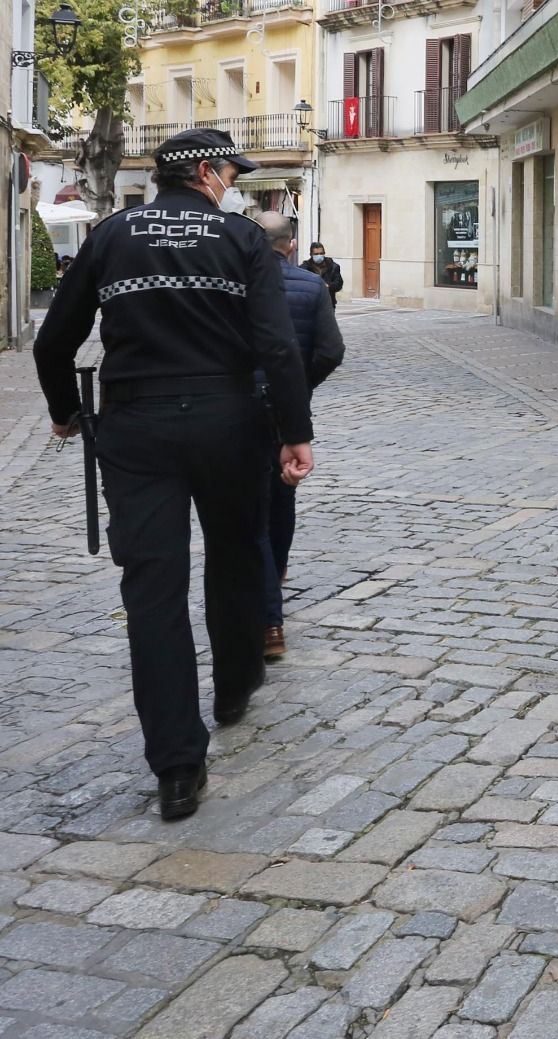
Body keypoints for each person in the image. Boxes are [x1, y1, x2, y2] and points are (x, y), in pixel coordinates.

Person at [32, 127, 314, 822]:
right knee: (237, 553)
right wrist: (295, 432)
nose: (235, 182)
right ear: (210, 173)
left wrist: (68, 412)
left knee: (152, 592)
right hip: (228, 419)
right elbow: (275, 344)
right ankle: (234, 686)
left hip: (136, 427)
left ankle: (177, 768)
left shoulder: (109, 234)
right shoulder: (242, 238)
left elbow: (54, 340)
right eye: (232, 172)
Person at [256, 213, 344, 661]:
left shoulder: (233, 284)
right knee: (281, 498)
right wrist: (299, 386)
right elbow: (331, 351)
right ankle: (277, 580)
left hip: (236, 409)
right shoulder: (311, 288)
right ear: (292, 246)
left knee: (248, 512)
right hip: (285, 412)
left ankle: (267, 616)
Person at [301, 242, 343, 307]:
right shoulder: (304, 268)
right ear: (311, 254)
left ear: (324, 253)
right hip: (310, 304)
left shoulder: (333, 267)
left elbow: (338, 284)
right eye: (316, 254)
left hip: (328, 303)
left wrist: (328, 286)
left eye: (321, 253)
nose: (319, 256)